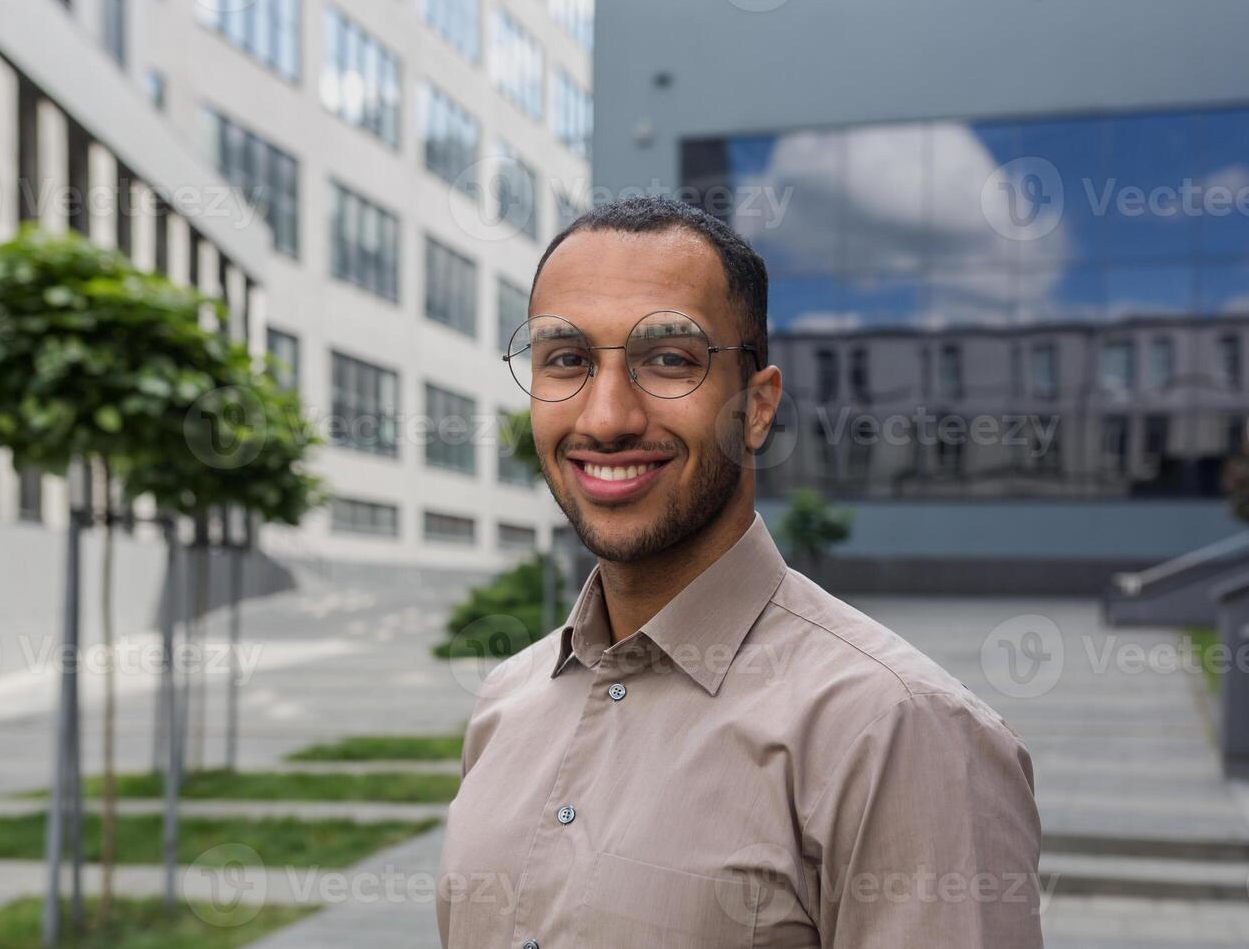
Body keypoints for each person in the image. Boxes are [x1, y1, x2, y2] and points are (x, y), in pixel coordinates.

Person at [435, 196, 1043, 948]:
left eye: (668, 359)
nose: (606, 417)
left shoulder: (898, 732)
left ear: (756, 408)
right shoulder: (503, 706)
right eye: (567, 359)